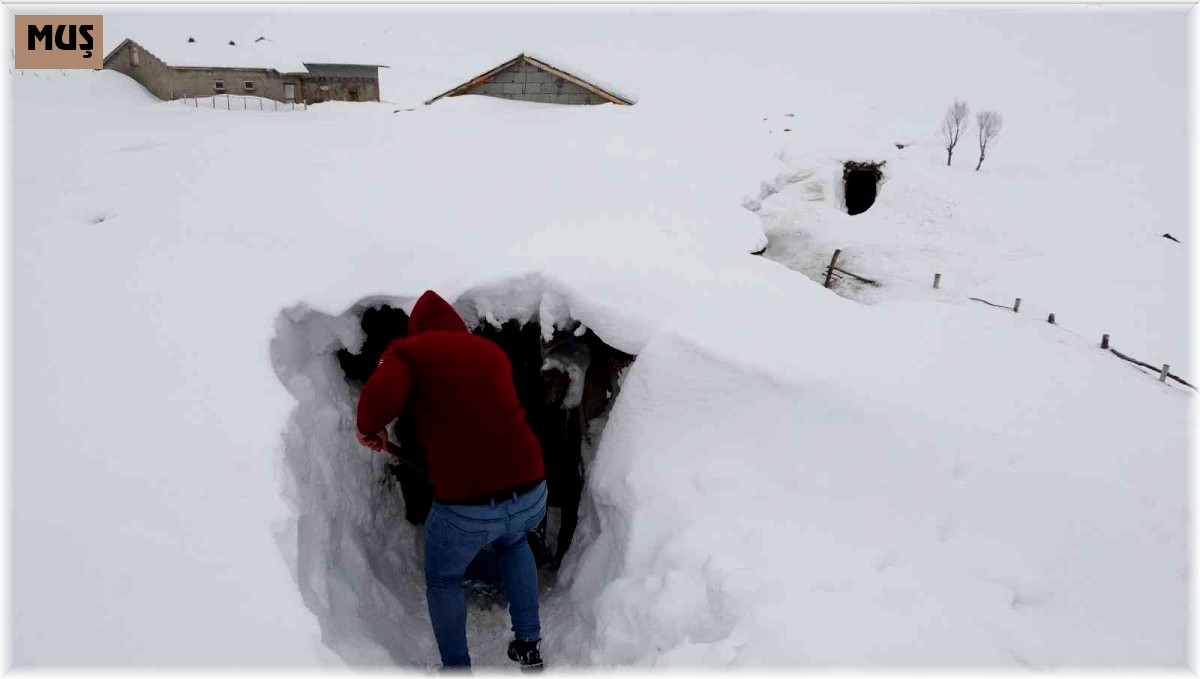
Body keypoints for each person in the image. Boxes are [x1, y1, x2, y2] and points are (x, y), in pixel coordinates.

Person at [355, 290, 548, 671]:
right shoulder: (490, 352)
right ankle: (529, 643)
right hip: (530, 490)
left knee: (443, 578)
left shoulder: (408, 352)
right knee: (513, 542)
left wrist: (368, 428)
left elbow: (378, 398)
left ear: (417, 331)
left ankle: (457, 668)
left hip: (468, 507)